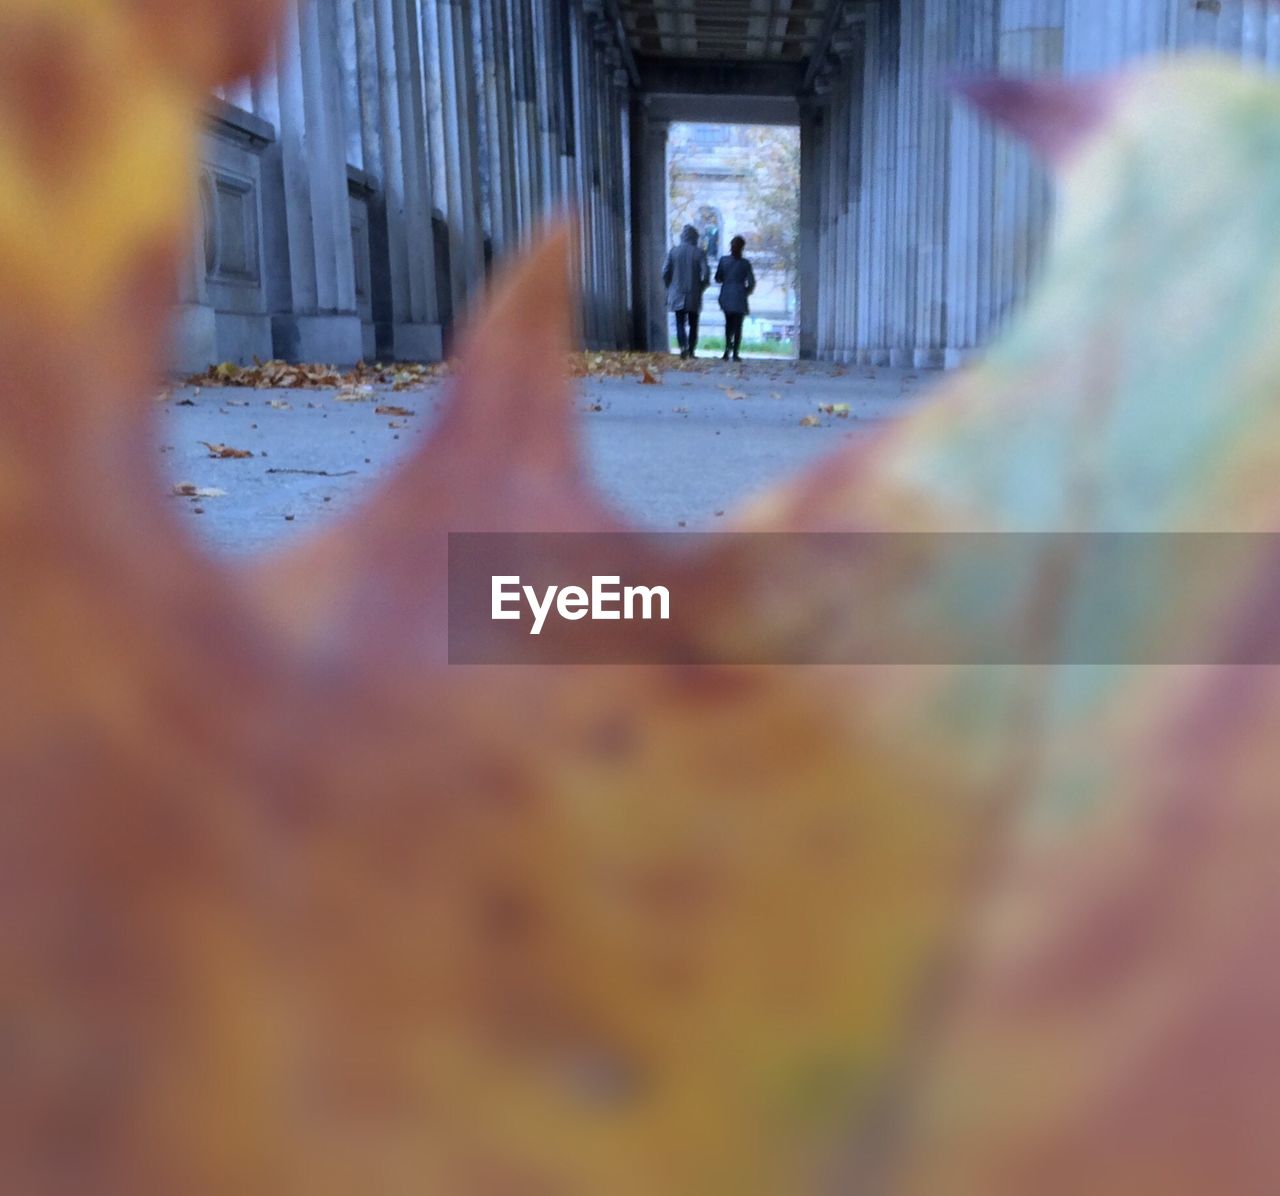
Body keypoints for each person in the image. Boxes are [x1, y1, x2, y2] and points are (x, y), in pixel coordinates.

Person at [663, 224, 710, 359]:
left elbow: (665, 272)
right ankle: (691, 350)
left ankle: (682, 348)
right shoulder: (699, 252)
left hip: (676, 292)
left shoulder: (673, 252)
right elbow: (706, 273)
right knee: (694, 323)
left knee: (679, 322)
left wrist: (669, 286)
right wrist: (702, 286)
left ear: (682, 236)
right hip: (694, 293)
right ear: (695, 237)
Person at [715, 235, 756, 362]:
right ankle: (735, 353)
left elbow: (718, 278)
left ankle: (727, 351)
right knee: (738, 326)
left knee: (728, 324)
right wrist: (745, 291)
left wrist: (726, 280)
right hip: (739, 295)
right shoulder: (745, 264)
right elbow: (751, 282)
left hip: (727, 293)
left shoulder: (723, 261)